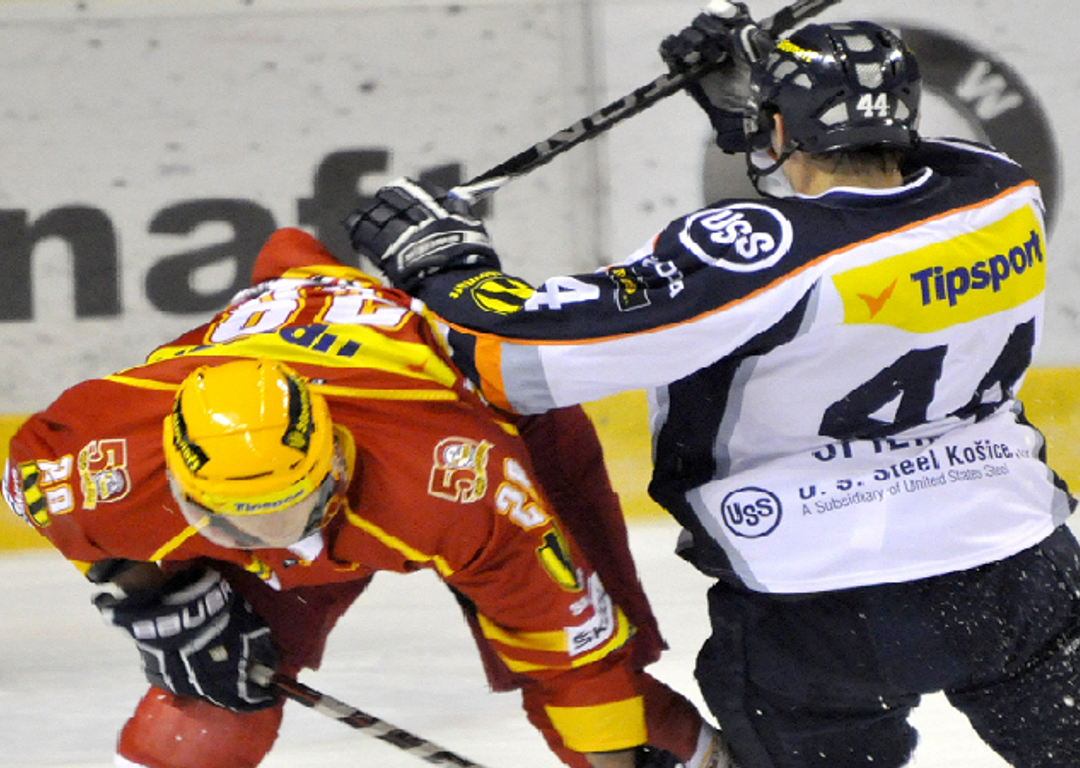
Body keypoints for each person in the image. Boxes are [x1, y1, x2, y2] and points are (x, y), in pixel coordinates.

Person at [343, 7, 1080, 768]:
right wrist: (760, 108)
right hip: (1015, 567)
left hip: (827, 602)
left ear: (785, 131)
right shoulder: (1000, 190)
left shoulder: (762, 259)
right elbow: (877, 168)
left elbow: (523, 362)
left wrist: (443, 266)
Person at [1, 227, 726, 768]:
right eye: (227, 521)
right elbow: (32, 478)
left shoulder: (460, 484)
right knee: (211, 704)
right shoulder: (94, 469)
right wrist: (152, 593)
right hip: (309, 348)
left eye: (287, 511)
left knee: (605, 694)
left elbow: (572, 658)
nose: (267, 544)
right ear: (175, 474)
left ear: (336, 467)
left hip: (500, 423)